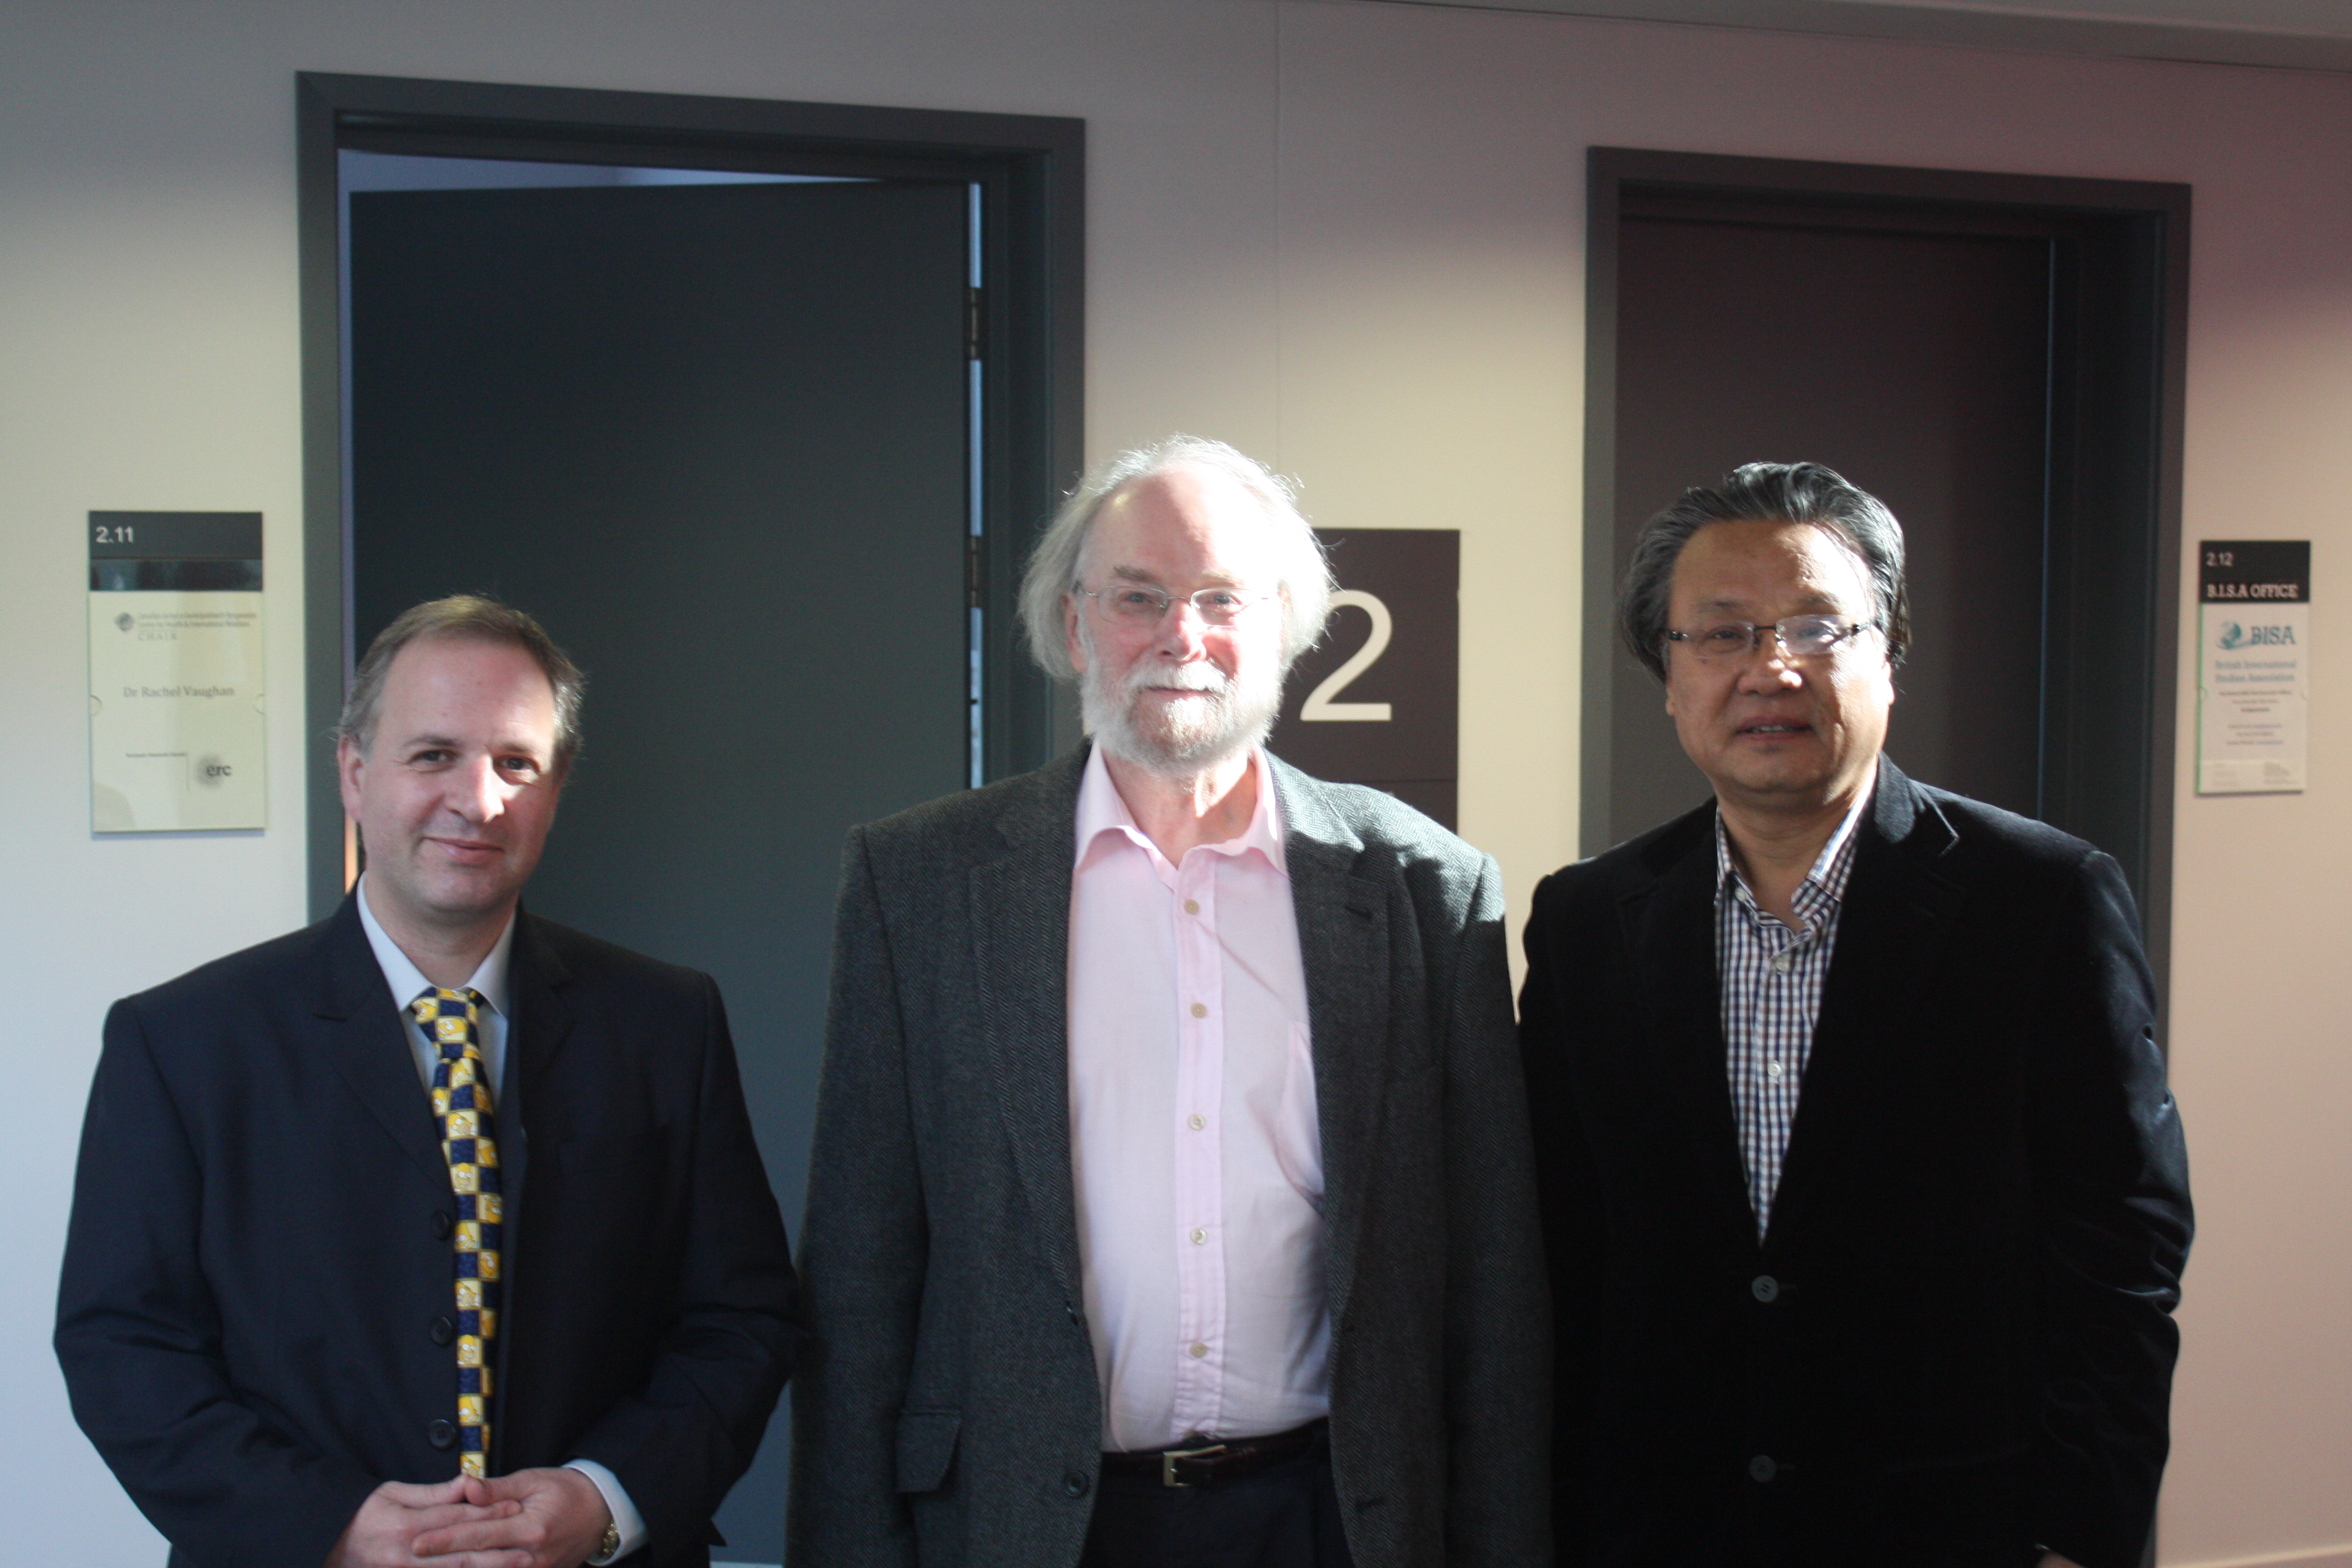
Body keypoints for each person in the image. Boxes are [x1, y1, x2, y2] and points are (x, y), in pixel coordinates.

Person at [787, 436, 1548, 1568]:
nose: (1181, 636)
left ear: (1285, 626)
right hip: (1024, 1524)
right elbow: (860, 1269)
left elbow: (1492, 1272)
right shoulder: (923, 883)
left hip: (1337, 1517)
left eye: (1221, 598)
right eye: (1138, 596)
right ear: (1075, 624)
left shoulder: (1424, 885)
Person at [1518, 463, 2192, 1568]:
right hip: (1665, 1524)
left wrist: (2080, 1531)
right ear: (1669, 676)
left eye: (1816, 627)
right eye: (1722, 634)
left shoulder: (2040, 897)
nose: (1771, 668)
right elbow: (1562, 1251)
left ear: (1890, 653)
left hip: (1954, 1524)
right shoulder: (1589, 919)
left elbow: (2124, 1241)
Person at [57, 596, 797, 1568]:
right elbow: (124, 1346)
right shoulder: (183, 1041)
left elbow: (740, 1319)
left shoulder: (666, 1023)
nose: (478, 801)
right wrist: (329, 1525)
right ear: (354, 772)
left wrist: (603, 1498)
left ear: (558, 787)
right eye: (434, 755)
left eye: (516, 764)